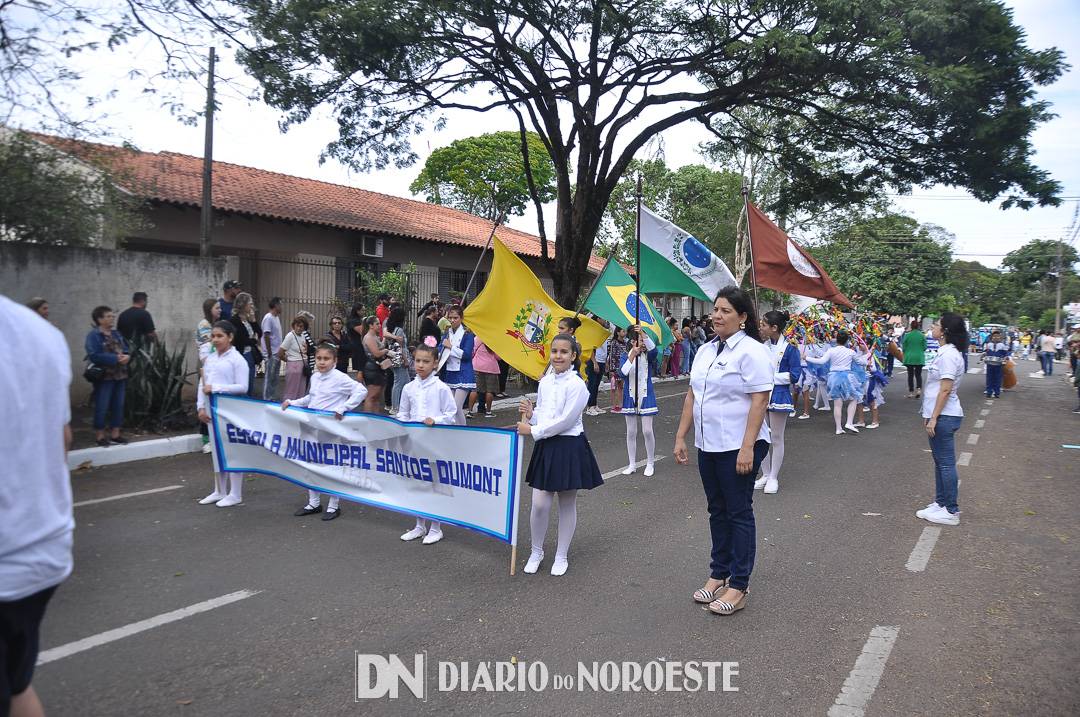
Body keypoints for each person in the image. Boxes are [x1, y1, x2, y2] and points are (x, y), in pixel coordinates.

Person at [674, 286, 772, 615]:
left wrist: (747, 447)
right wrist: (681, 436)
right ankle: (719, 574)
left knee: (738, 512)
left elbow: (760, 400)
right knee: (717, 510)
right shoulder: (705, 350)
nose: (717, 315)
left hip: (739, 445)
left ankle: (739, 585)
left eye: (726, 310)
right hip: (709, 443)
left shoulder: (752, 351)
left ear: (742, 317)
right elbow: (692, 395)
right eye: (716, 309)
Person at [0, 295, 73, 717]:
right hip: (42, 548)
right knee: (17, 685)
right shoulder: (42, 335)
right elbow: (62, 440)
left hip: (10, 552)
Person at [517, 334, 603, 576]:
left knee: (566, 502)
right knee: (539, 504)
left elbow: (566, 421)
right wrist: (532, 414)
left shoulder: (578, 386)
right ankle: (536, 551)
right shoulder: (545, 382)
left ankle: (561, 555)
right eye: (554, 351)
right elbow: (546, 414)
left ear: (573, 356)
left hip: (568, 446)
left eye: (564, 352)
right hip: (547, 445)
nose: (558, 356)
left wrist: (533, 430)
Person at [285, 342, 368, 521]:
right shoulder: (315, 377)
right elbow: (311, 397)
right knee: (310, 465)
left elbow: (361, 390)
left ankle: (333, 505)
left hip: (331, 430)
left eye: (326, 359)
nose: (322, 362)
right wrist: (292, 403)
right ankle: (314, 502)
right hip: (311, 428)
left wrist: (344, 407)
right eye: (319, 358)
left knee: (332, 467)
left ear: (334, 361)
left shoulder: (340, 378)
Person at [398, 341, 460, 545]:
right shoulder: (408, 388)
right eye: (417, 361)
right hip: (414, 443)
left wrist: (436, 420)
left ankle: (436, 527)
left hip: (435, 443)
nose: (421, 365)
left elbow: (451, 415)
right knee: (416, 484)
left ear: (435, 363)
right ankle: (419, 525)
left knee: (435, 484)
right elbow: (403, 413)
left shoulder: (441, 388)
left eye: (426, 361)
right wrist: (402, 426)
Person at [915, 313, 969, 526]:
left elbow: (945, 390)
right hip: (940, 415)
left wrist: (934, 418)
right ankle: (941, 503)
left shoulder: (949, 355)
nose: (932, 328)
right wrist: (928, 415)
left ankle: (951, 510)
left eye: (936, 325)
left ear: (944, 331)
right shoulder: (945, 352)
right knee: (940, 463)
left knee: (946, 464)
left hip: (945, 416)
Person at [196, 320, 250, 507]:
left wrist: (216, 388)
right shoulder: (210, 359)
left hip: (230, 411)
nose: (216, 339)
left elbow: (243, 387)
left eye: (220, 336)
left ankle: (235, 493)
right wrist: (200, 407)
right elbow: (203, 384)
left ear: (230, 337)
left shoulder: (237, 359)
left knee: (232, 451)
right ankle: (219, 490)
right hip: (212, 410)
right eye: (213, 336)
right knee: (217, 452)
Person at [757, 311, 801, 494]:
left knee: (776, 437)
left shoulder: (791, 349)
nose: (761, 327)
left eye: (764, 325)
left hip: (779, 395)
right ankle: (765, 474)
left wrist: (770, 377)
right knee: (760, 437)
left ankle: (773, 477)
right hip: (761, 395)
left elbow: (795, 375)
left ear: (774, 328)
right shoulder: (761, 347)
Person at [84, 305, 131, 447]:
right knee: (102, 405)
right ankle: (100, 435)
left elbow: (126, 349)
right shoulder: (94, 335)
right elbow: (94, 355)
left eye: (112, 316)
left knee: (118, 405)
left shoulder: (116, 334)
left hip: (120, 375)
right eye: (108, 316)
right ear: (99, 319)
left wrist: (127, 356)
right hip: (104, 377)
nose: (112, 318)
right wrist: (115, 358)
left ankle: (115, 434)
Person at [803, 330, 864, 435]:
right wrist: (868, 358)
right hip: (846, 377)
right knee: (854, 398)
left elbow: (821, 361)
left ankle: (838, 428)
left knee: (837, 404)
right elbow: (860, 362)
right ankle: (849, 422)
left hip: (833, 377)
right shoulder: (851, 352)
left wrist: (806, 358)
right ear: (847, 341)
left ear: (836, 340)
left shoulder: (831, 350)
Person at [620, 327, 658, 476]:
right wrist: (632, 356)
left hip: (646, 395)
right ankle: (632, 464)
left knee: (647, 431)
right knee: (631, 431)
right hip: (630, 396)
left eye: (644, 340)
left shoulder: (648, 355)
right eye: (640, 340)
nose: (643, 343)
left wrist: (642, 332)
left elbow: (654, 350)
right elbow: (622, 373)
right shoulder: (625, 355)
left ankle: (650, 463)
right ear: (632, 341)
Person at [439, 305, 475, 418]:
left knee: (456, 407)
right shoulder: (447, 333)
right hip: (449, 372)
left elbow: (467, 355)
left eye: (455, 318)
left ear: (461, 318)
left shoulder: (468, 333)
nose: (452, 320)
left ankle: (462, 429)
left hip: (463, 372)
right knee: (451, 408)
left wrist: (450, 347)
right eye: (450, 318)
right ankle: (455, 428)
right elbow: (440, 349)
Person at [195, 298, 221, 453]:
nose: (220, 310)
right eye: (217, 308)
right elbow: (209, 346)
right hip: (207, 368)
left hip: (216, 369)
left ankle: (213, 438)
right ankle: (206, 440)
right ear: (209, 309)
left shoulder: (215, 325)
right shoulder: (204, 325)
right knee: (205, 403)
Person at [229, 292, 263, 398]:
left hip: (250, 355)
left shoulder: (248, 320)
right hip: (242, 355)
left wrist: (253, 321)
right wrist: (254, 340)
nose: (252, 306)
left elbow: (259, 333)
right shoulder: (234, 321)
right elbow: (241, 340)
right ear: (243, 305)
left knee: (250, 384)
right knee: (242, 386)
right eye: (250, 303)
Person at [279, 315, 314, 401]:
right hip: (293, 365)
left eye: (301, 326)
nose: (299, 328)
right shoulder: (290, 336)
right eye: (297, 326)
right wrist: (289, 361)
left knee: (301, 390)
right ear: (293, 325)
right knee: (291, 390)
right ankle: (287, 406)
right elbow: (280, 353)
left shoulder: (303, 335)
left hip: (303, 365)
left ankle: (298, 406)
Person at [384, 307, 411, 414]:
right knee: (399, 383)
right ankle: (395, 407)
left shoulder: (390, 329)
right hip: (400, 359)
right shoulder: (399, 330)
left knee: (405, 382)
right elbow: (400, 347)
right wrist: (405, 360)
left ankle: (401, 406)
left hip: (394, 359)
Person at [361, 316, 390, 414]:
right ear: (371, 325)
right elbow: (376, 353)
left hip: (378, 368)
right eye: (377, 324)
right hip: (372, 368)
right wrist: (386, 351)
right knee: (372, 396)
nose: (379, 325)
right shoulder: (369, 337)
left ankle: (375, 418)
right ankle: (368, 417)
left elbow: (380, 346)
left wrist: (384, 340)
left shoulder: (374, 336)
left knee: (377, 397)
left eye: (379, 323)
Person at [261, 297, 284, 401]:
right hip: (271, 354)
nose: (282, 307)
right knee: (269, 378)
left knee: (275, 378)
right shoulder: (268, 318)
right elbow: (266, 335)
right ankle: (266, 399)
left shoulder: (276, 318)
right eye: (280, 305)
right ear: (276, 305)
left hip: (277, 353)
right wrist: (269, 352)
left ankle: (272, 397)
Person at [472, 339, 502, 419]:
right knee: (490, 391)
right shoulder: (493, 339)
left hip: (477, 366)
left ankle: (470, 411)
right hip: (491, 367)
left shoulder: (477, 338)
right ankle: (488, 412)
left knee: (475, 389)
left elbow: (472, 352)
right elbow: (498, 357)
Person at [901, 319, 926, 398]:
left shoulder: (907, 335)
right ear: (918, 326)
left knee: (910, 375)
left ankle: (911, 392)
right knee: (918, 374)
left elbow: (904, 347)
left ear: (911, 326)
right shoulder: (922, 335)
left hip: (909, 357)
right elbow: (925, 347)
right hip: (919, 357)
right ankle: (918, 389)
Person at [606, 326, 627, 414]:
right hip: (615, 368)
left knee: (621, 387)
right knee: (614, 387)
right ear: (618, 332)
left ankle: (620, 405)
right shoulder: (614, 342)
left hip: (622, 367)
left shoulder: (625, 342)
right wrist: (612, 369)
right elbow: (612, 356)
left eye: (625, 331)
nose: (624, 333)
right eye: (623, 331)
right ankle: (614, 406)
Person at [981, 329, 1008, 398]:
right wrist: (983, 355)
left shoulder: (1002, 345)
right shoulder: (989, 344)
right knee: (989, 378)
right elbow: (986, 352)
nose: (996, 338)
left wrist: (1005, 358)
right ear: (991, 337)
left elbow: (1005, 354)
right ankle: (989, 392)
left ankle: (997, 392)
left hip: (998, 364)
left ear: (1000, 338)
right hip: (989, 364)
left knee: (998, 378)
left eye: (998, 336)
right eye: (994, 336)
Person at [585, 330, 607, 416]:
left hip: (602, 361)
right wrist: (594, 362)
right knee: (592, 384)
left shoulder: (605, 332)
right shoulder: (594, 332)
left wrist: (605, 362)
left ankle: (594, 405)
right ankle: (590, 406)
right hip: (594, 361)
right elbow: (591, 348)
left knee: (596, 385)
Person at [345, 302, 368, 374]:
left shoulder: (358, 320)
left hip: (359, 345)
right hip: (357, 346)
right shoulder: (354, 321)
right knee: (360, 369)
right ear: (357, 311)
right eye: (362, 310)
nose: (364, 312)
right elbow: (362, 332)